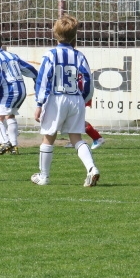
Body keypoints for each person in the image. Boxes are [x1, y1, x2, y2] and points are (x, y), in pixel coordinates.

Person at [32, 15, 100, 187]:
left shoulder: (50, 54)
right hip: (75, 98)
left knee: (48, 137)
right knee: (76, 137)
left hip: (57, 98)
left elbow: (43, 80)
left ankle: (44, 176)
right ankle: (91, 168)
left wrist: (39, 104)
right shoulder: (79, 55)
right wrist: (83, 99)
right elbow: (88, 81)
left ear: (55, 33)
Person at [0, 31, 37, 155]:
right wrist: (37, 81)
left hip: (10, 91)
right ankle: (14, 146)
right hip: (21, 91)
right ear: (1, 43)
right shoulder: (12, 55)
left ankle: (5, 142)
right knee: (10, 116)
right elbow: (30, 69)